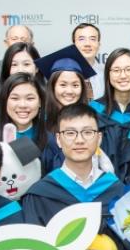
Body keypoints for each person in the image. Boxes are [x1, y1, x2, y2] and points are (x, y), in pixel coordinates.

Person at [21, 103, 130, 250]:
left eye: (88, 132)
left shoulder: (117, 192)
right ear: (58, 139)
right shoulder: (40, 195)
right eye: (70, 133)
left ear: (99, 138)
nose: (79, 140)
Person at [35, 45, 109, 174]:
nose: (69, 91)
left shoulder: (94, 121)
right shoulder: (40, 122)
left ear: (82, 88)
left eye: (75, 85)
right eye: (63, 84)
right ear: (52, 87)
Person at [90, 48, 130, 131]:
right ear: (108, 75)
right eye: (116, 70)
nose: (123, 76)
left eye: (129, 69)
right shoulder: (93, 109)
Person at [0, 73, 47, 150]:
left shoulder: (51, 139)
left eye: (30, 98)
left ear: (40, 102)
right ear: (5, 101)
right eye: (15, 98)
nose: (22, 105)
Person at [72, 23, 105, 99]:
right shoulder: (63, 74)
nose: (87, 44)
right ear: (74, 45)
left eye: (92, 39)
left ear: (99, 45)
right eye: (81, 39)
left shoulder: (107, 75)